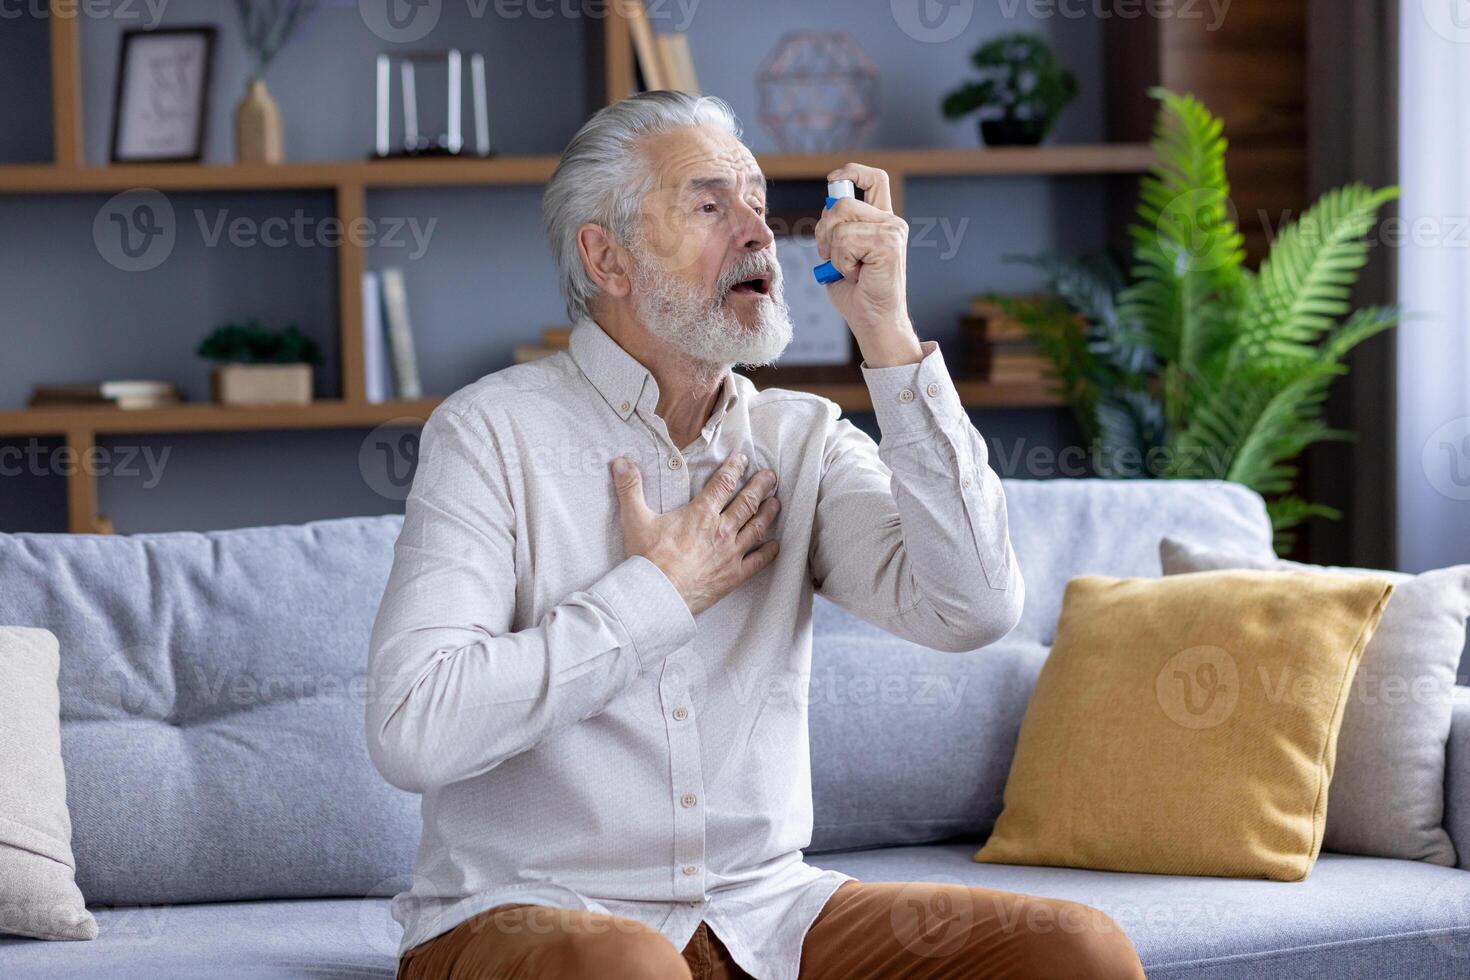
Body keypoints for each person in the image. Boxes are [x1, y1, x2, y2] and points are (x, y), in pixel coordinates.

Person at [366, 90, 1145, 980]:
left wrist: (885, 334)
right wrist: (657, 595)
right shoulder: (489, 433)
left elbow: (973, 608)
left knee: (1076, 952)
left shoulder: (798, 438)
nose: (761, 231)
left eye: (756, 200)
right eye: (709, 204)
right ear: (606, 257)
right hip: (526, 915)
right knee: (627, 969)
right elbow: (411, 728)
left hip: (763, 913)